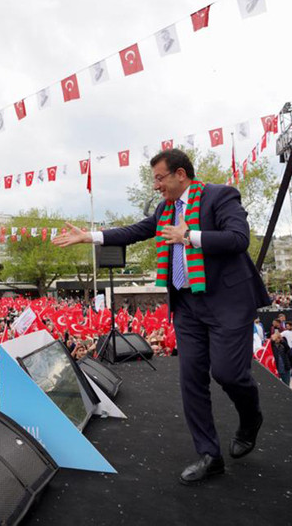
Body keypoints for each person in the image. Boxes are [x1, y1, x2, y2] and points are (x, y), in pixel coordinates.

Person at [54, 148, 271, 485]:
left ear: (180, 174)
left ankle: (251, 418)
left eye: (159, 178)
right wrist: (89, 236)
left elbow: (238, 239)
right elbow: (136, 231)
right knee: (191, 380)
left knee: (229, 374)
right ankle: (209, 455)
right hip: (187, 306)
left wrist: (188, 236)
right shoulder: (165, 210)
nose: (155, 186)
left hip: (227, 301)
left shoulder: (220, 196)